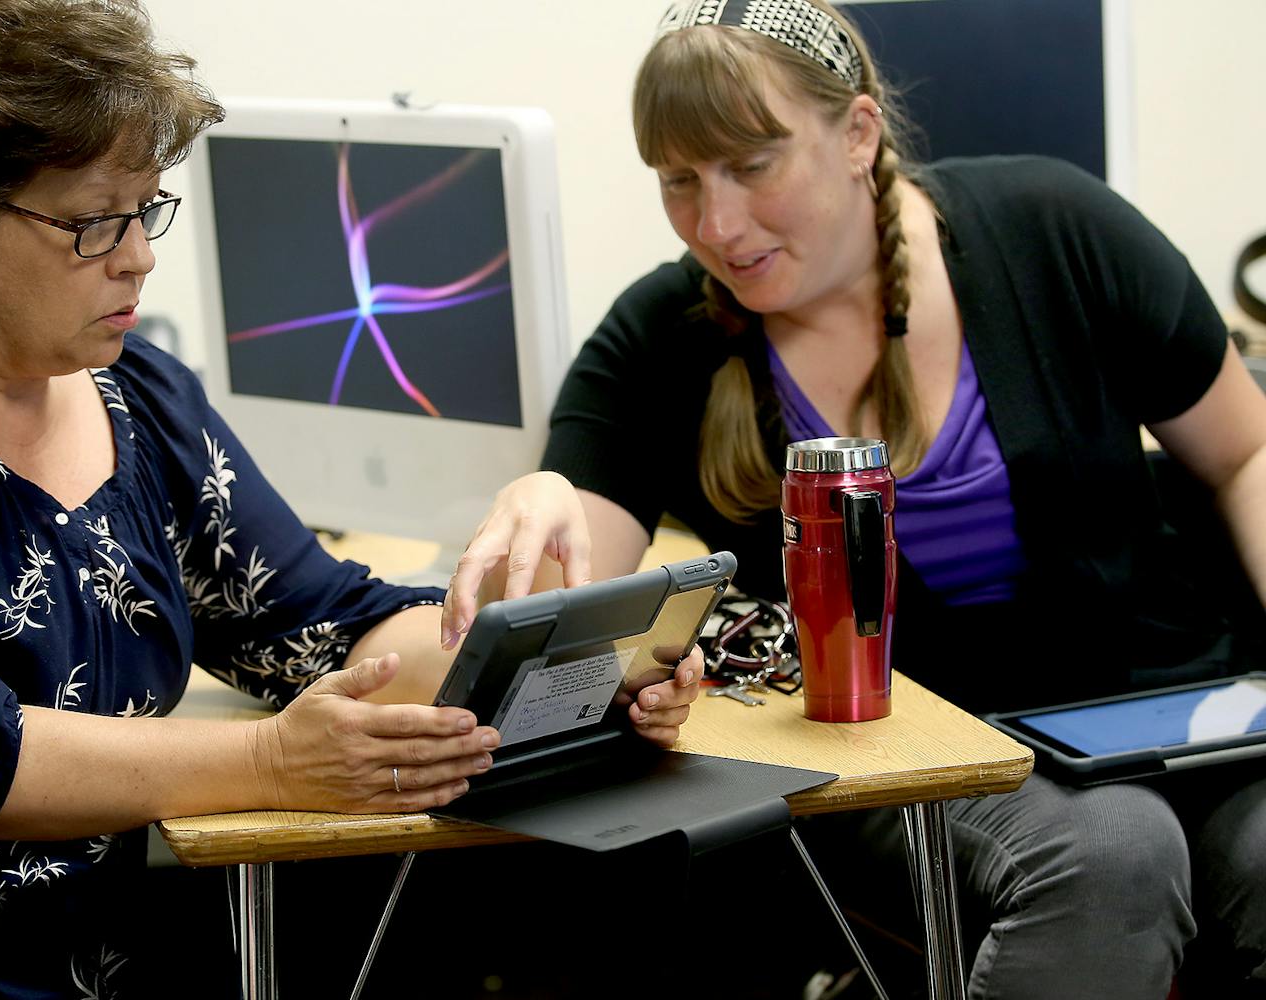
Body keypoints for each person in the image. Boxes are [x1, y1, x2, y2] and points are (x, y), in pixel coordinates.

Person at [0, 2, 703, 996]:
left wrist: (572, 661)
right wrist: (271, 763)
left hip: (113, 957)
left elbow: (320, 626)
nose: (138, 256)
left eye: (146, 209)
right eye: (95, 223)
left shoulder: (135, 400)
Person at [443, 1, 1266, 997]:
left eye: (752, 165)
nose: (718, 224)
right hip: (898, 756)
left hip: (1152, 710)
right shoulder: (663, 339)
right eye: (680, 182)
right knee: (1111, 851)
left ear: (858, 135)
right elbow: (578, 585)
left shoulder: (1059, 229)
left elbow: (1245, 450)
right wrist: (543, 518)